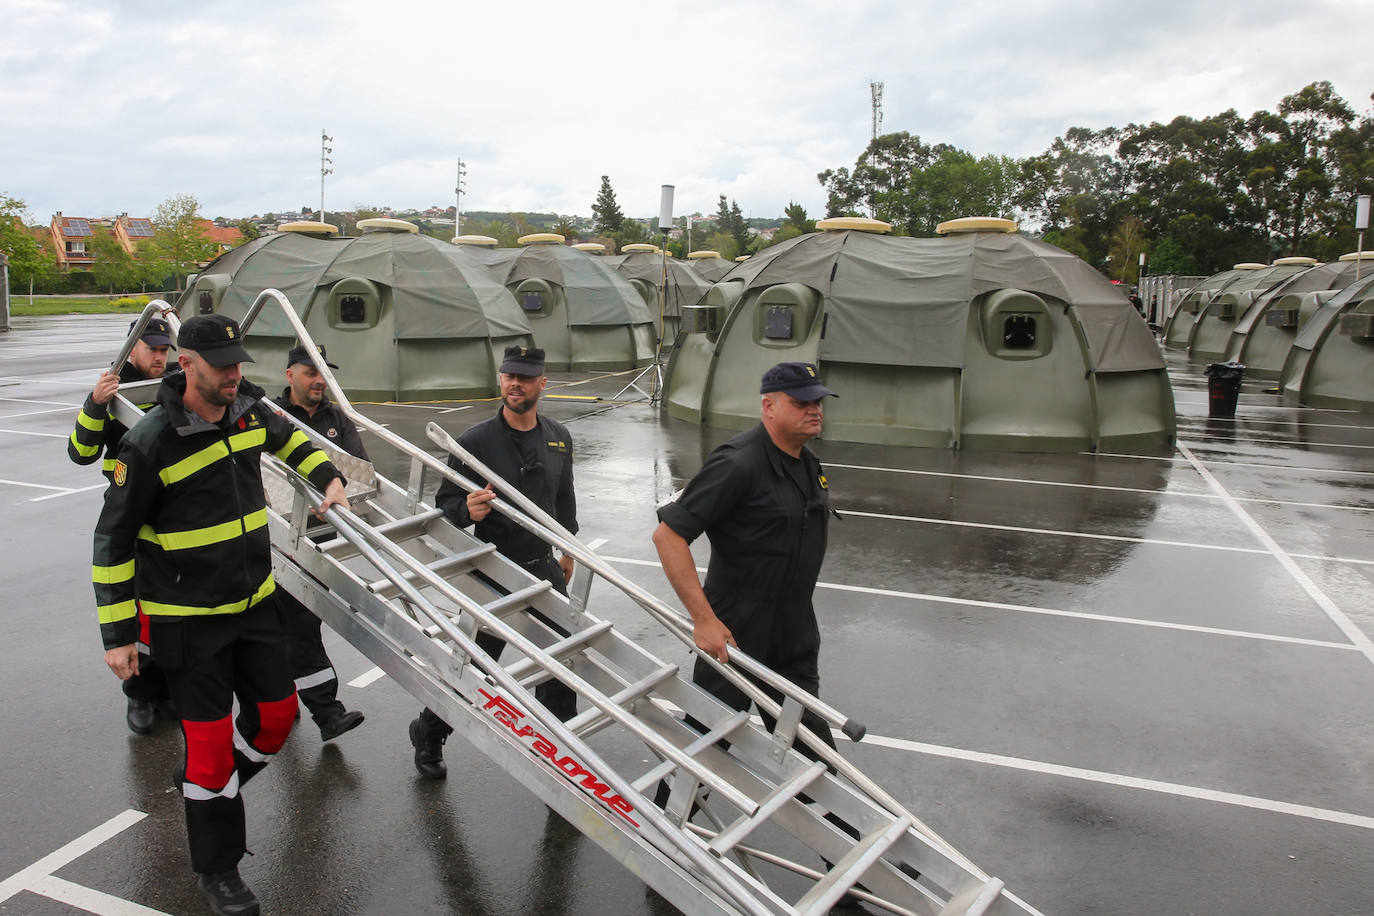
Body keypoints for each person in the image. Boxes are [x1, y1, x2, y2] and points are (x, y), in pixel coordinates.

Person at [92, 314, 349, 916]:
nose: (236, 374)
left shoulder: (249, 410)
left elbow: (295, 443)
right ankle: (219, 870)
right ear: (188, 365)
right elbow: (112, 540)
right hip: (187, 622)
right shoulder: (150, 442)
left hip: (255, 607)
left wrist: (330, 478)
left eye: (239, 363)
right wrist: (118, 635)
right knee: (207, 749)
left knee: (277, 720)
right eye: (223, 366)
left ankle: (206, 790)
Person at [408, 345, 579, 780]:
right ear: (500, 379)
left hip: (543, 570)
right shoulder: (474, 442)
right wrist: (468, 510)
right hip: (492, 570)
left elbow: (564, 501)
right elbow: (444, 507)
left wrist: (566, 550)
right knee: (477, 664)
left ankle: (562, 760)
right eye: (508, 376)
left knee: (560, 664)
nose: (514, 384)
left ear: (542, 383)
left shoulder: (558, 436)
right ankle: (429, 731)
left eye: (524, 377)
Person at [651, 361, 839, 755]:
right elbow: (669, 536)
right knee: (707, 744)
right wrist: (704, 621)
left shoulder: (807, 463)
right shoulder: (738, 463)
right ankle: (661, 815)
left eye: (818, 400)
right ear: (768, 407)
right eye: (801, 401)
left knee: (812, 755)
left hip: (793, 634)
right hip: (735, 634)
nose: (815, 409)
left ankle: (826, 817)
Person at [69, 316, 176, 735]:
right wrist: (95, 405)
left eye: (165, 350)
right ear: (133, 349)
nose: (160, 356)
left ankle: (167, 689)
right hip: (129, 514)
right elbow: (80, 452)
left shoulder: (172, 384)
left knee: (171, 612)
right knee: (136, 613)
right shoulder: (114, 391)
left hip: (170, 516)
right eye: (153, 349)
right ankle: (140, 695)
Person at [272, 344, 366, 742]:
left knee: (296, 622)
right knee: (297, 621)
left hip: (324, 534)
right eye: (310, 371)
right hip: (278, 533)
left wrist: (332, 488)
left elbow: (357, 469)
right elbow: (262, 473)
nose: (319, 380)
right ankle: (327, 712)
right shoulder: (271, 415)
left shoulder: (337, 418)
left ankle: (280, 699)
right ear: (290, 374)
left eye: (324, 372)